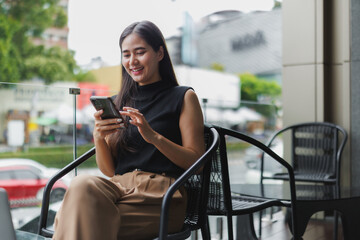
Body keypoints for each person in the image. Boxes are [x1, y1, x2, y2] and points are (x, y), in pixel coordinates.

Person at [52, 20, 205, 240]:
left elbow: (197, 164)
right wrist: (99, 137)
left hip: (162, 196)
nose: (132, 61)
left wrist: (153, 137)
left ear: (160, 53)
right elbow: (109, 171)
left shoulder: (183, 97)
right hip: (118, 189)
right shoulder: (118, 102)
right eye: (126, 54)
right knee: (81, 183)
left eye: (140, 52)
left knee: (73, 217)